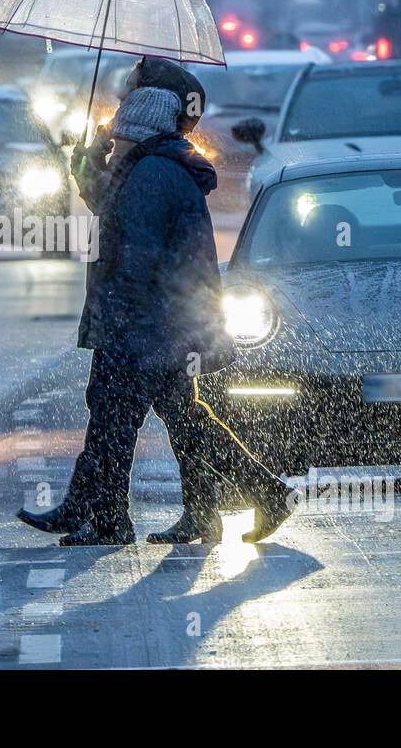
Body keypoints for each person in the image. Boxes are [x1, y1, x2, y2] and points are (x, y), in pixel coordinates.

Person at [18, 58, 294, 545]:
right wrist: (92, 158)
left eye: (127, 93)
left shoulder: (152, 173)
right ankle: (222, 504)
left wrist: (118, 328)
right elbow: (108, 204)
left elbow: (137, 256)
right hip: (161, 323)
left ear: (145, 107)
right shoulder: (149, 167)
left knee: (115, 416)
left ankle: (104, 516)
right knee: (159, 418)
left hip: (148, 325)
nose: (118, 100)